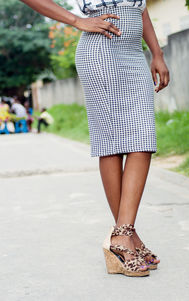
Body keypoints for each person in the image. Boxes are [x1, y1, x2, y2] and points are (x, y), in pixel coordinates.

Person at [21, 0, 170, 277]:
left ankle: (125, 236)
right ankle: (124, 238)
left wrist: (157, 52)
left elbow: (140, 6)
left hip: (134, 54)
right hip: (101, 48)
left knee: (143, 139)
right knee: (112, 142)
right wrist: (76, 21)